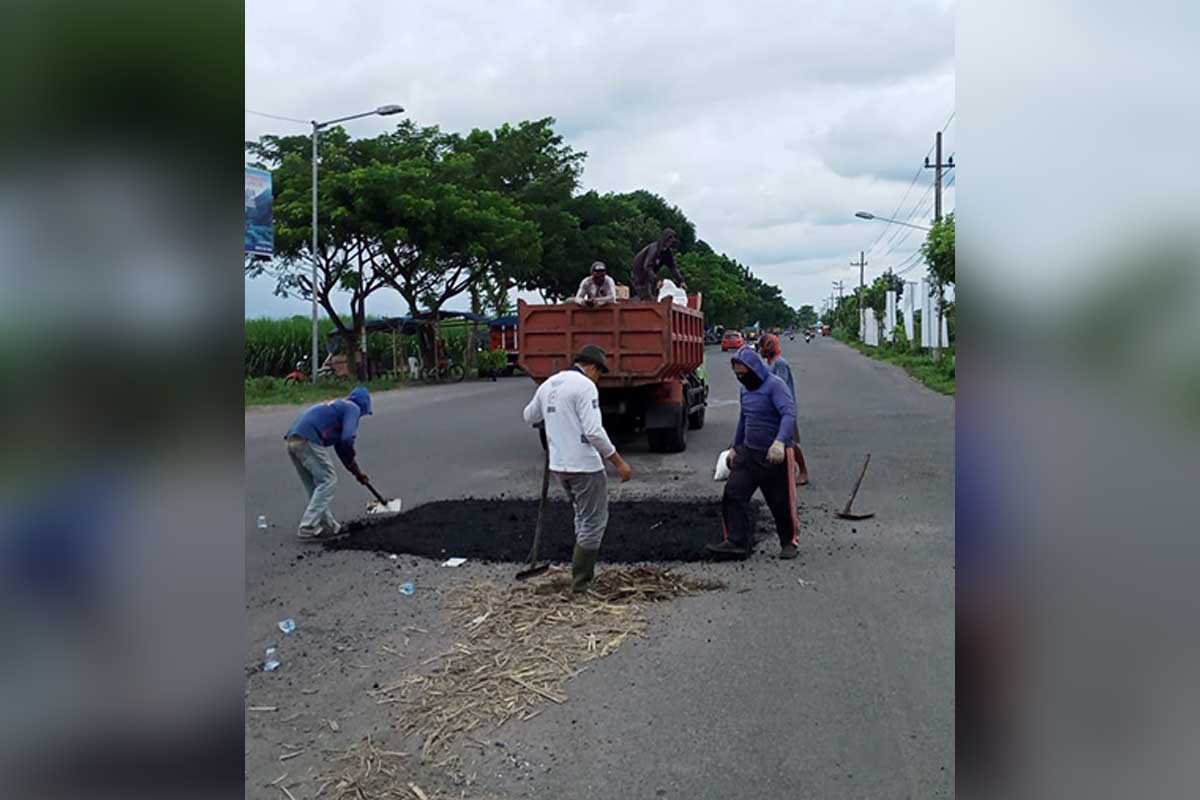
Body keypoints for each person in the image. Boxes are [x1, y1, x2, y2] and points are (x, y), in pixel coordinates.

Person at [522, 344, 633, 591]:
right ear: (591, 367)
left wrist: (550, 417)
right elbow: (594, 431)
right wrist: (619, 462)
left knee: (581, 515)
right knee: (594, 521)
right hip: (585, 466)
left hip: (560, 466)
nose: (599, 378)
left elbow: (528, 416)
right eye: (599, 373)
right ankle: (582, 582)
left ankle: (579, 571)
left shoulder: (549, 384)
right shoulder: (585, 386)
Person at [707, 347, 800, 560]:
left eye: (743, 374)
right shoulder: (745, 390)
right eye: (737, 375)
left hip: (773, 455)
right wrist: (734, 447)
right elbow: (744, 418)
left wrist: (779, 442)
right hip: (748, 453)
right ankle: (736, 541)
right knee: (733, 493)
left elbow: (788, 414)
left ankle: (789, 542)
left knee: (780, 502)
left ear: (754, 369)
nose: (741, 378)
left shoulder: (775, 386)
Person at [284, 387, 373, 539]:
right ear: (364, 406)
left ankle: (328, 526)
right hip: (308, 439)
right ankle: (308, 526)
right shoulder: (352, 408)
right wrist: (351, 451)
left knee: (315, 486)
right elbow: (347, 439)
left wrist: (357, 473)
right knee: (328, 480)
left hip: (293, 440)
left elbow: (342, 452)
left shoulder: (338, 410)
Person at [756, 334, 810, 485]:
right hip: (775, 410)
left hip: (784, 410)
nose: (759, 351)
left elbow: (781, 387)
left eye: (761, 347)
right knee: (782, 442)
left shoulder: (780, 364)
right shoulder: (771, 364)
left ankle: (803, 471)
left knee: (789, 442)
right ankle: (787, 471)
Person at [631, 228, 687, 301]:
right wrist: (656, 280)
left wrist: (681, 280)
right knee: (646, 296)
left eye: (671, 242)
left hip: (651, 274)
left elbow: (673, 267)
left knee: (654, 295)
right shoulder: (654, 249)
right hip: (639, 272)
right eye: (669, 241)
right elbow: (647, 266)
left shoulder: (667, 252)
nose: (670, 243)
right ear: (665, 240)